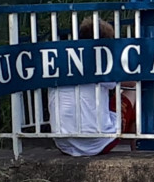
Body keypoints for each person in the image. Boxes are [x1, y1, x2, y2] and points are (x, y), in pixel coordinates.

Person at [48, 17, 122, 156]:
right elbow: (125, 83)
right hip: (99, 143)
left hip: (63, 143)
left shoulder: (57, 63)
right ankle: (137, 145)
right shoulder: (101, 63)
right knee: (131, 93)